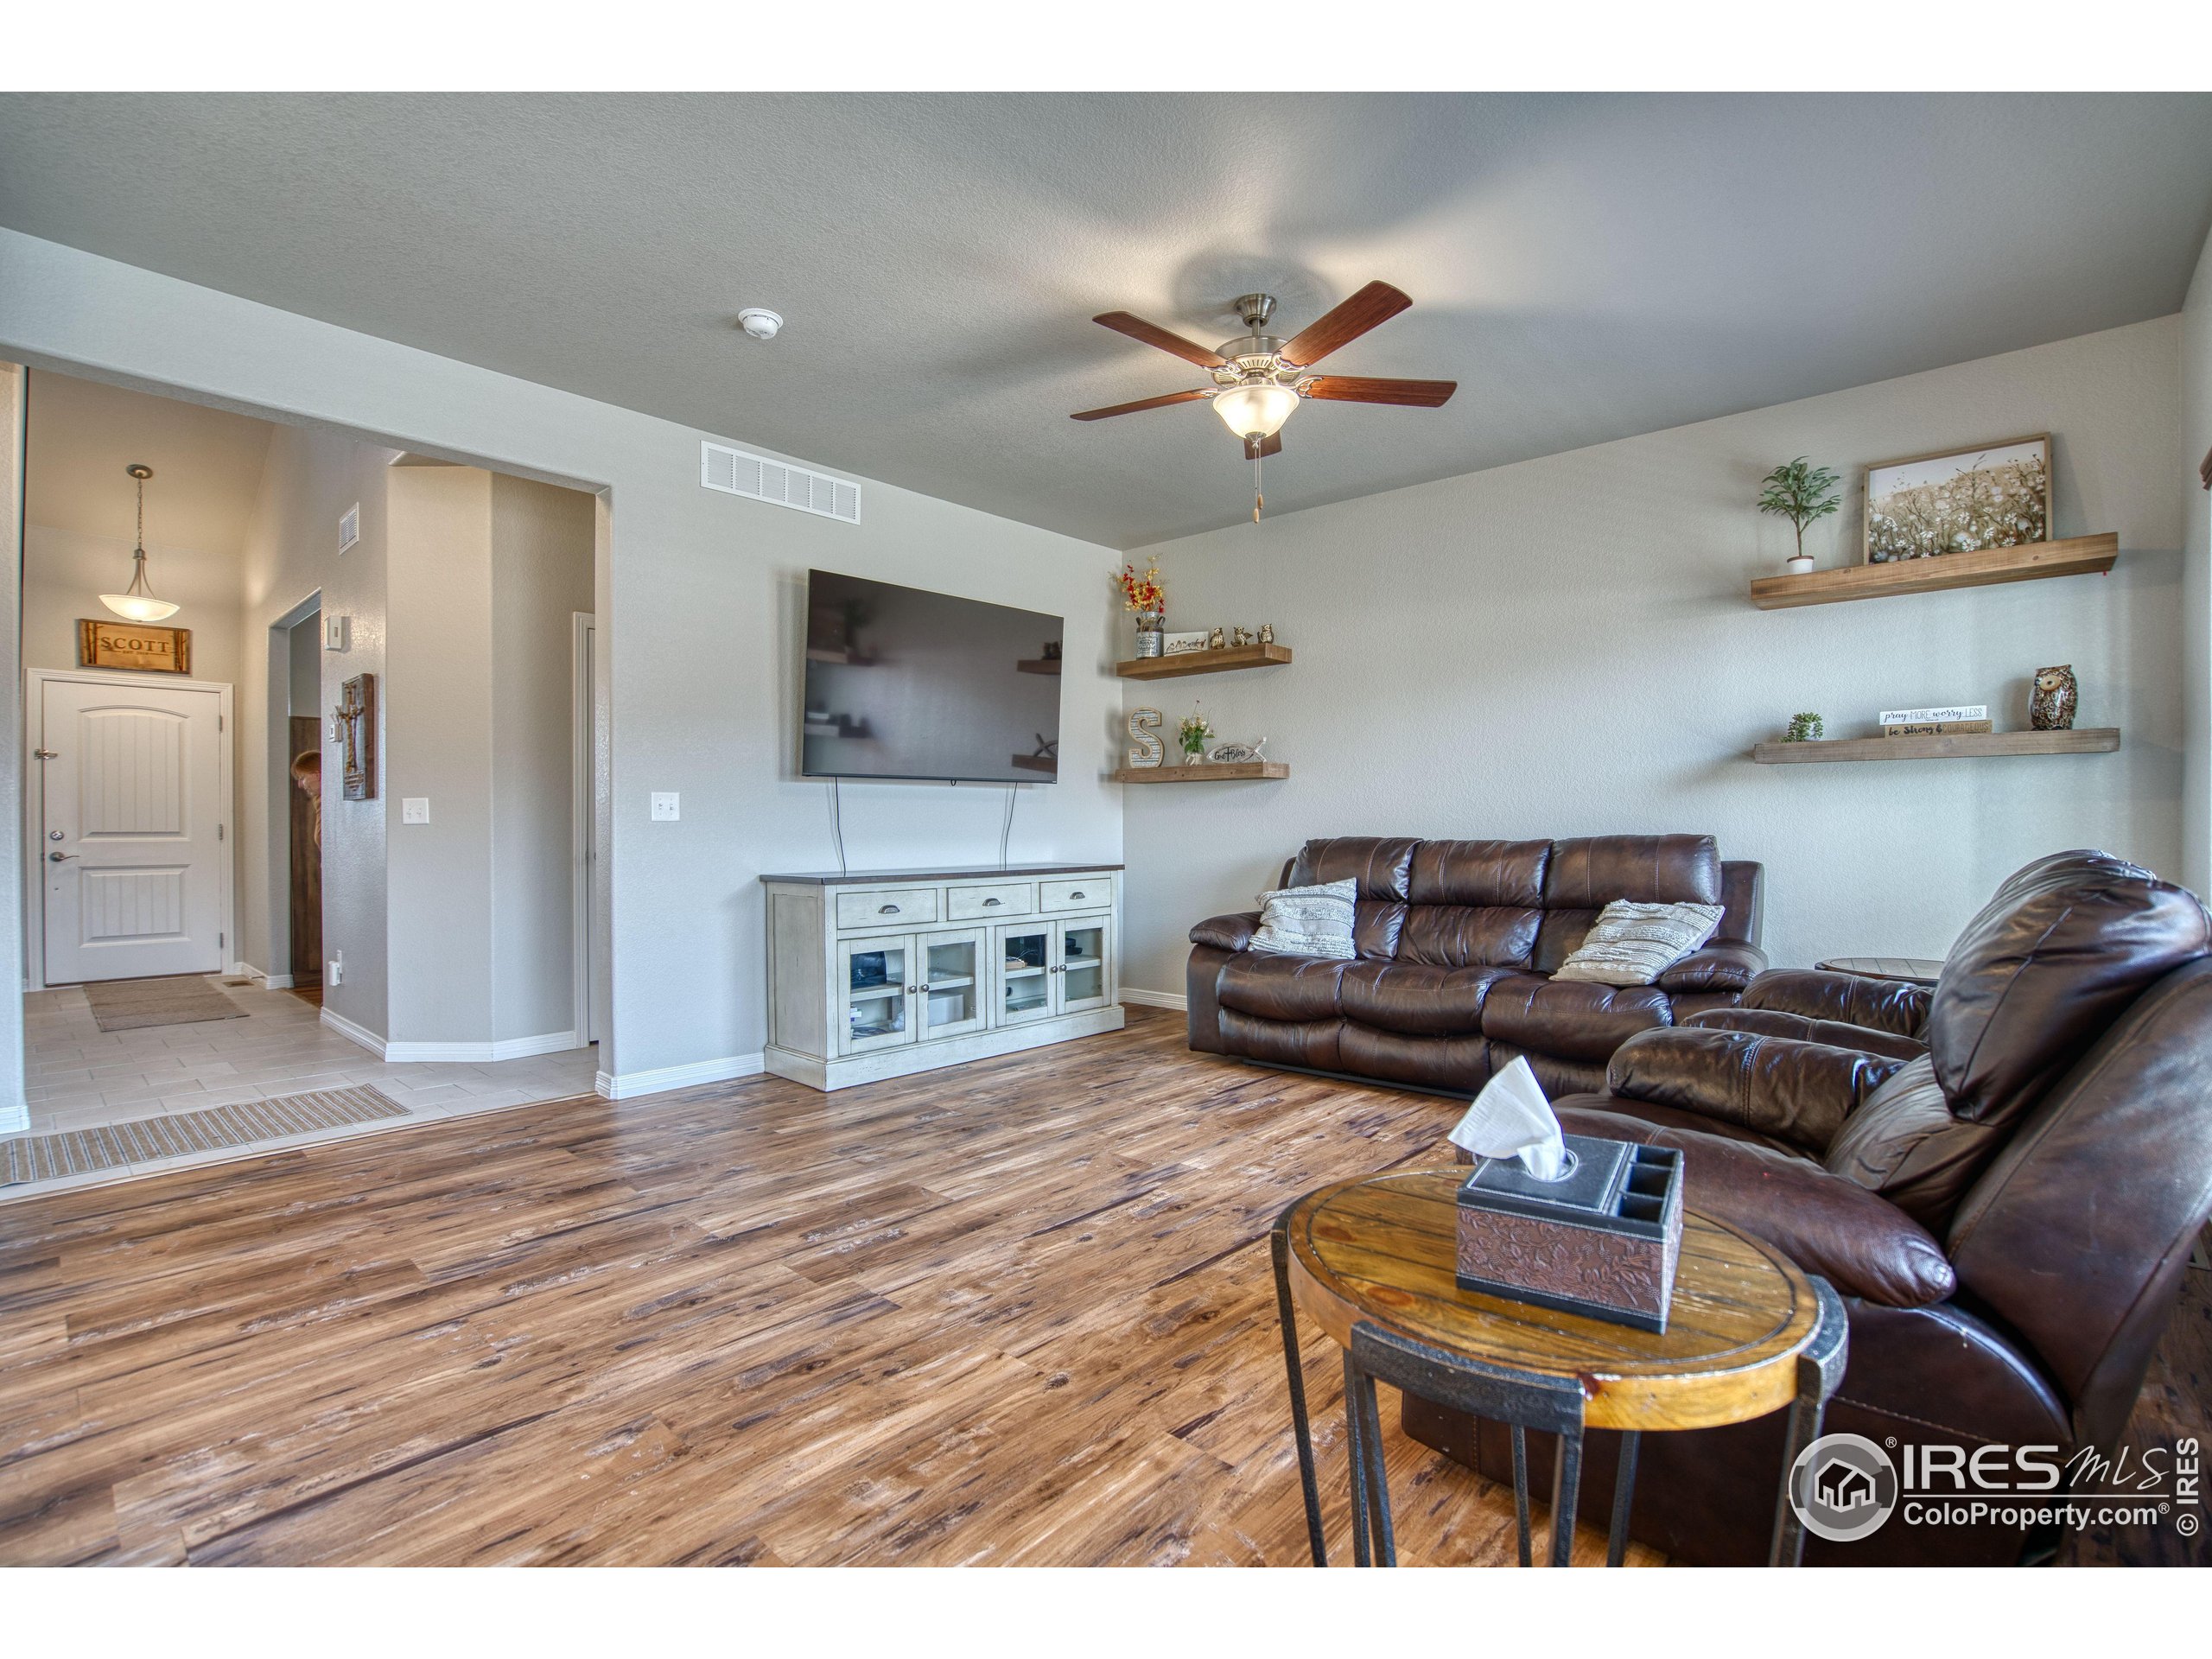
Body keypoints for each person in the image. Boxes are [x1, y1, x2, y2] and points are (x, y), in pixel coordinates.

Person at [291, 748, 321, 847]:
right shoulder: (319, 801)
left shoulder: (330, 801)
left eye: (302, 778)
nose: (300, 785)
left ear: (317, 774)